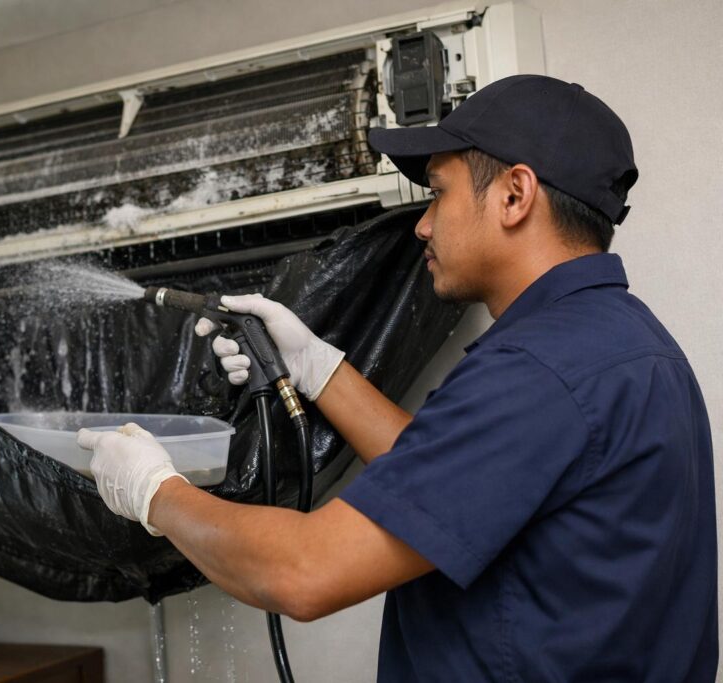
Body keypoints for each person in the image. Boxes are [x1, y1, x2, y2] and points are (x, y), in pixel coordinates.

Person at [77, 75, 718, 681]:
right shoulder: (619, 343)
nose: (423, 224)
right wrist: (316, 367)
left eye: (438, 193)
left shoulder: (541, 370)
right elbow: (451, 483)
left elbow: (303, 573)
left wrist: (152, 490)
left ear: (515, 196)